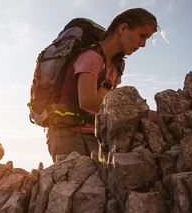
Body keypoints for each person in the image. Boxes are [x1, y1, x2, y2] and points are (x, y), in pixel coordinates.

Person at [46, 8, 158, 162]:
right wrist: (139, 113)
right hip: (70, 136)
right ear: (123, 28)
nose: (143, 44)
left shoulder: (117, 65)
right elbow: (87, 100)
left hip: (97, 135)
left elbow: (108, 102)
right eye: (142, 36)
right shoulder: (92, 57)